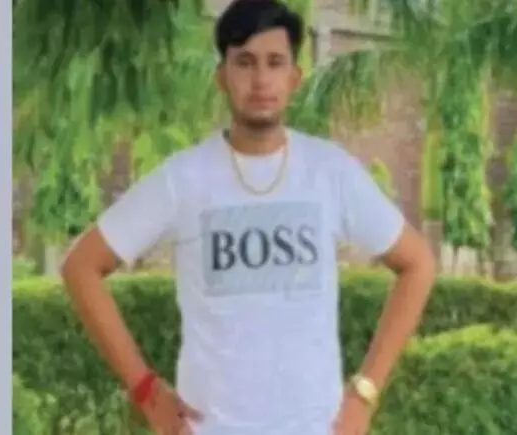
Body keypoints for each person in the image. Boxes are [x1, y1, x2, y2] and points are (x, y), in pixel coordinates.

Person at [60, 1, 436, 434]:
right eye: (245, 62)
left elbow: (418, 264)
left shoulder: (330, 172)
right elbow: (81, 266)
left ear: (294, 77)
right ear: (222, 76)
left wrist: (365, 392)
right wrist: (145, 390)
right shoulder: (183, 179)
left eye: (275, 62)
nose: (260, 79)